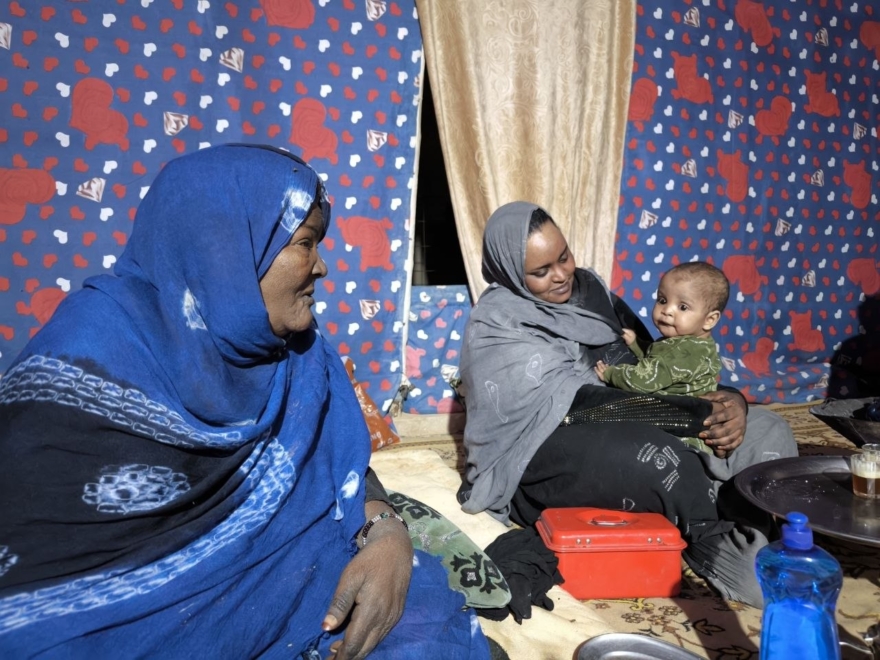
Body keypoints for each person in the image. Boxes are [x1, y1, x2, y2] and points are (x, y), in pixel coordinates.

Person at [0, 144, 490, 659]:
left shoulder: (299, 354)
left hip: (291, 583)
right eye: (306, 243)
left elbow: (339, 465)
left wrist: (387, 534)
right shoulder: (87, 356)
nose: (322, 267)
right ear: (224, 249)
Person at [458, 202, 798, 607]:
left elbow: (659, 361)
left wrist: (730, 402)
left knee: (767, 427)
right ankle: (716, 542)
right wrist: (695, 418)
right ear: (510, 270)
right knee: (659, 457)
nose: (562, 274)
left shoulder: (589, 290)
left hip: (638, 410)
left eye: (563, 256)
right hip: (551, 443)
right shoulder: (499, 324)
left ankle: (752, 527)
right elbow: (575, 404)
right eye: (541, 271)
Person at [595, 261, 730, 454]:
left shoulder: (681, 351)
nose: (667, 310)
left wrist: (611, 373)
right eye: (663, 300)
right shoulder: (696, 345)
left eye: (683, 307)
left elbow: (643, 380)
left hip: (682, 437)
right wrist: (637, 344)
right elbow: (659, 359)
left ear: (709, 320)